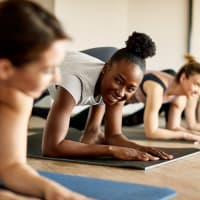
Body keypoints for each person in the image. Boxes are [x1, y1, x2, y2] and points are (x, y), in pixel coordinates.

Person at [0, 0, 90, 199]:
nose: (57, 78)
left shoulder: (19, 95)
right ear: (5, 68)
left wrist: (59, 194)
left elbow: (11, 166)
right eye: (47, 70)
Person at [42, 31, 173, 161]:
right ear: (105, 68)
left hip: (88, 64)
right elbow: (51, 147)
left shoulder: (120, 89)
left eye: (130, 88)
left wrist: (141, 149)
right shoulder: (73, 83)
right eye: (119, 81)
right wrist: (111, 150)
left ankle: (93, 132)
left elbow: (114, 135)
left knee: (109, 91)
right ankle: (92, 131)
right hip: (41, 65)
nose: (121, 93)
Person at [122, 55, 200, 141]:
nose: (198, 91)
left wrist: (195, 135)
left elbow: (173, 127)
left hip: (135, 99)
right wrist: (186, 136)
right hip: (117, 94)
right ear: (183, 78)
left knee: (125, 122)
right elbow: (151, 132)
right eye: (197, 84)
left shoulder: (181, 98)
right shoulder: (156, 87)